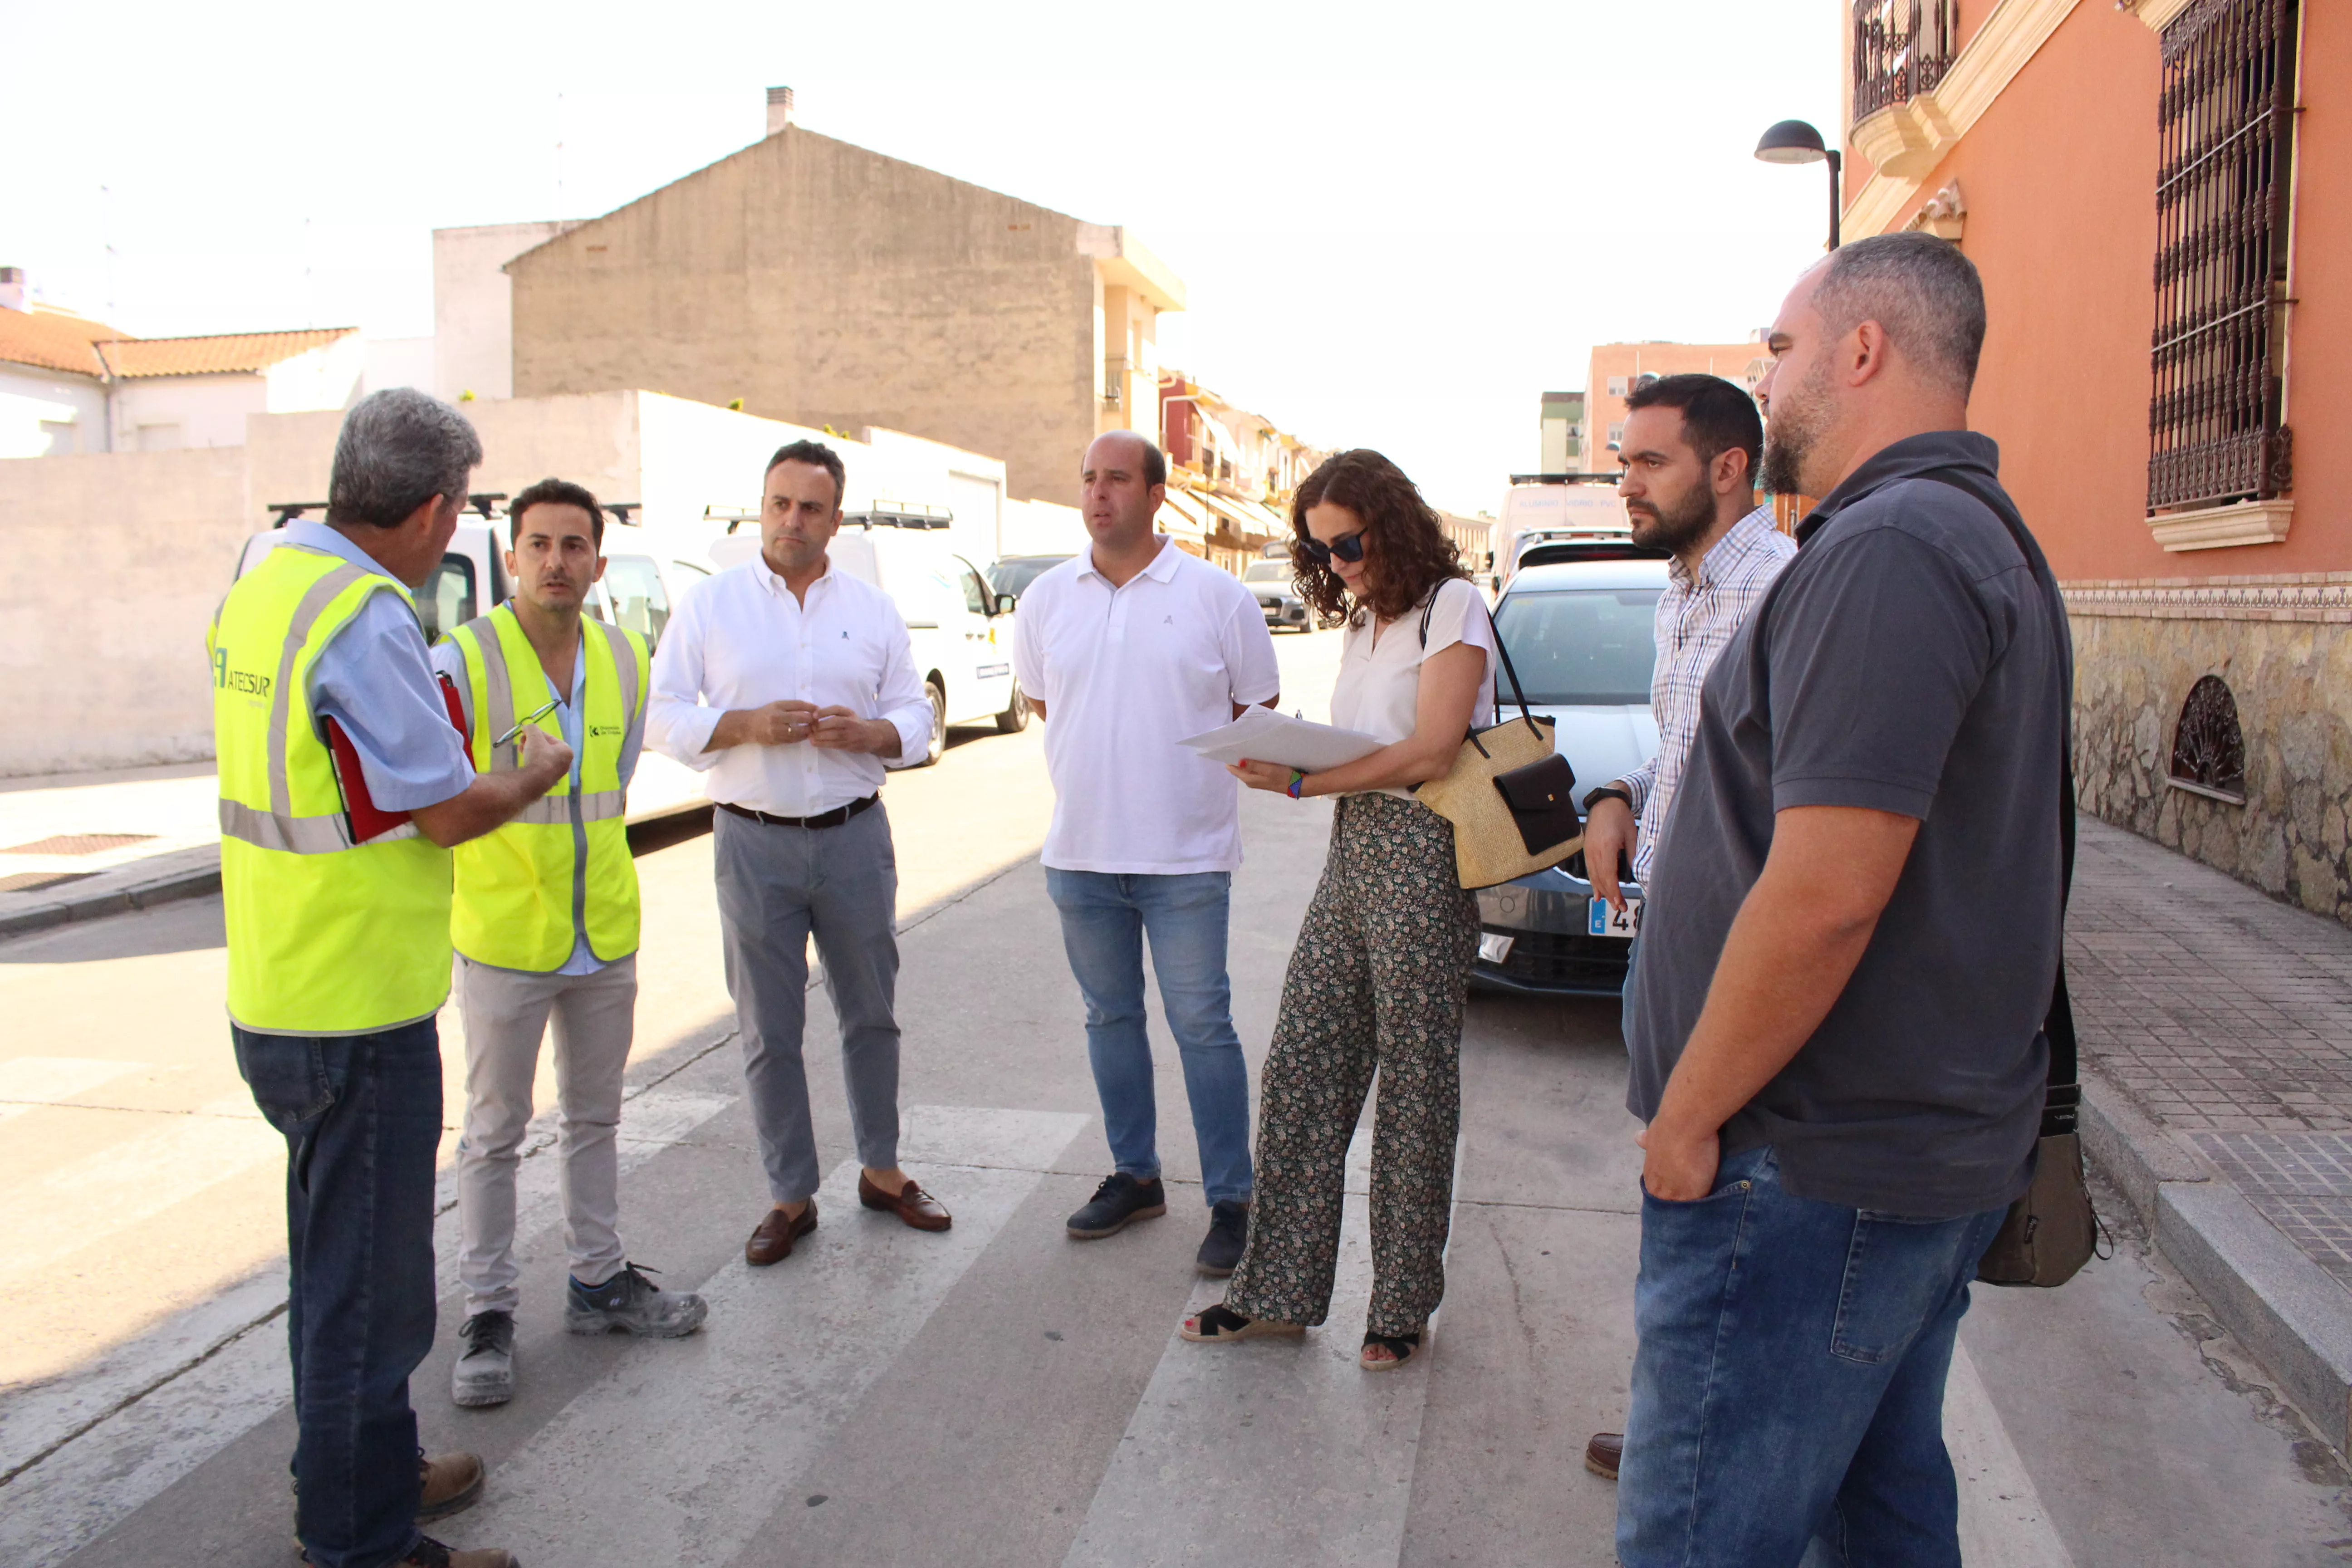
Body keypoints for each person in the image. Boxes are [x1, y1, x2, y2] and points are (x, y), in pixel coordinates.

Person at [1614, 232, 2070, 1566]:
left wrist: (1687, 1121)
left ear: (1861, 350)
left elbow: (1826, 894)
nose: (1771, 381)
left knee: (1703, 1536)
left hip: (1804, 1168)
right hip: (1882, 1160)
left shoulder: (1894, 550)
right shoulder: (1960, 535)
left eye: (1782, 349)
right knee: (1879, 1516)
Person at [215, 389, 568, 1568]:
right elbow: (451, 807)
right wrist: (534, 773)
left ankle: (376, 1466)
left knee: (341, 1276)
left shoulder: (268, 580)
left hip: (279, 993)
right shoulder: (364, 616)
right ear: (436, 510)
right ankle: (363, 1540)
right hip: (354, 1013)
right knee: (367, 1302)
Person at [1178, 449, 1493, 1371]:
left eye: (1349, 542)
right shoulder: (1363, 620)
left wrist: (1304, 779)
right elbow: (1368, 745)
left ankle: (1399, 1306)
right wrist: (1296, 763)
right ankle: (1276, 1290)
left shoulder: (1452, 608)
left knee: (1414, 1082)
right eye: (1323, 552)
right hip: (1355, 849)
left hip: (1427, 853)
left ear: (1389, 522)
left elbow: (1433, 752)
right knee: (1305, 1063)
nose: (1340, 563)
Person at [433, 477, 707, 1411]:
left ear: (598, 560)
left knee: (595, 1120)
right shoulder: (464, 661)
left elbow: (616, 783)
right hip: (506, 937)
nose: (557, 562)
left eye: (574, 546)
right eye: (540, 545)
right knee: (493, 1136)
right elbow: (440, 798)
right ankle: (488, 1315)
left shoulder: (627, 660)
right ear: (512, 558)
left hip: (604, 936)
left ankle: (597, 1281)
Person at [647, 439, 951, 1266]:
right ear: (762, 507)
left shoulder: (873, 609)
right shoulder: (712, 607)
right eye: (779, 504)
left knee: (871, 1015)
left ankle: (882, 1174)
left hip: (855, 837)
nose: (792, 520)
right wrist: (740, 726)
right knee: (766, 1030)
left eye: (810, 508)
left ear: (835, 519)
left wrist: (877, 733)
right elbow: (660, 712)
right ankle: (790, 1195)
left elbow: (916, 719)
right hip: (754, 842)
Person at [1572, 376, 1795, 1482]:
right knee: (1675, 1193)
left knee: (1715, 1196)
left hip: (1730, 950)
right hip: (1663, 937)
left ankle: (1691, 1447)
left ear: (1728, 469)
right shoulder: (1683, 590)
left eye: (1649, 463)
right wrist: (1615, 794)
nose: (1626, 486)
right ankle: (1675, 1416)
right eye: (1621, 463)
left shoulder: (1783, 593)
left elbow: (1789, 801)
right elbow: (1693, 758)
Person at [1013, 432, 1282, 1275]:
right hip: (1082, 855)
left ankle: (1233, 1199)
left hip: (1187, 858)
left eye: (1117, 479)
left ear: (1157, 494)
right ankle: (1137, 1176)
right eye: (1088, 479)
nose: (1098, 494)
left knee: (1203, 1026)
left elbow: (1258, 704)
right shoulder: (1047, 599)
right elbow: (1047, 702)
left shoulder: (1216, 596)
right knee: (1110, 1020)